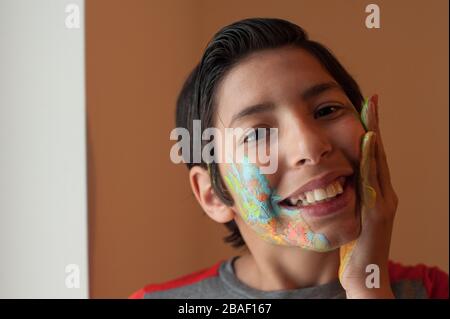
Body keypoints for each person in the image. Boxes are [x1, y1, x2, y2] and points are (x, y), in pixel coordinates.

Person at [130, 18, 448, 299]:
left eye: (327, 110)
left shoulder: (432, 290)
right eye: (257, 134)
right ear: (213, 195)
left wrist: (367, 287)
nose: (310, 147)